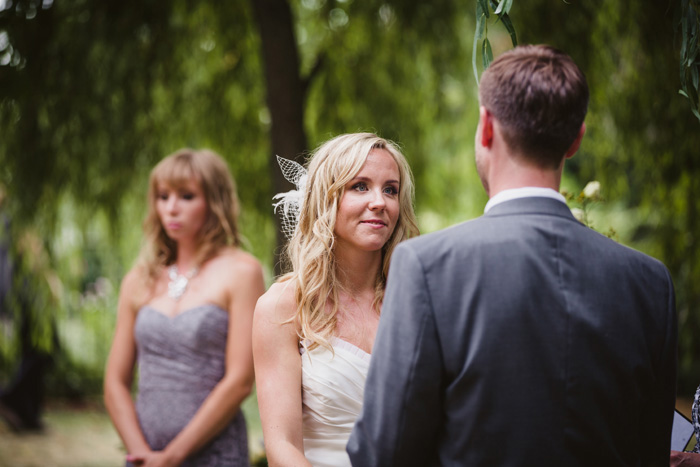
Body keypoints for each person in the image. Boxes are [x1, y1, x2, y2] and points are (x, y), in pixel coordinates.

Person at [348, 45, 677, 466]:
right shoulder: (650, 283)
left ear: (486, 126)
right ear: (576, 138)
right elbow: (652, 453)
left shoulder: (427, 266)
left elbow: (383, 454)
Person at [253, 133, 419, 466]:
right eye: (360, 186)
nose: (380, 202)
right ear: (325, 198)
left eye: (391, 189)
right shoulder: (283, 307)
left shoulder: (417, 301)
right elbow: (282, 446)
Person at [104, 148, 264, 466]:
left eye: (186, 196)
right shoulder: (139, 279)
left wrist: (173, 456)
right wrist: (142, 455)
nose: (171, 208)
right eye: (163, 196)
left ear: (214, 201)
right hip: (144, 455)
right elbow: (114, 383)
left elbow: (241, 380)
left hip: (215, 454)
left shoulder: (242, 271)